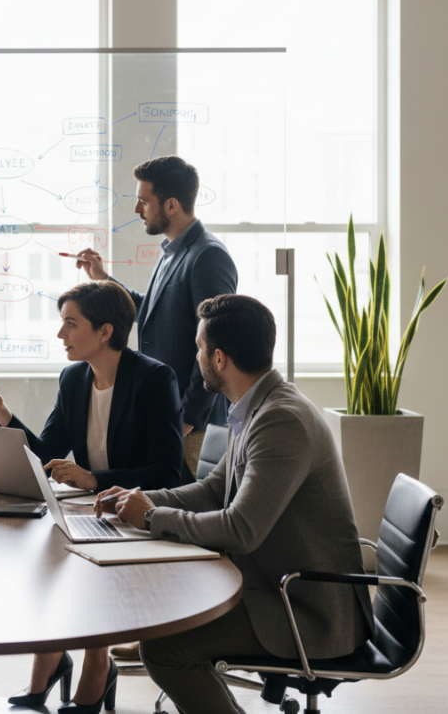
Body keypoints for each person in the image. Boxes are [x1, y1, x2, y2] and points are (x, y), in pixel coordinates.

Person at [96, 294, 373, 714]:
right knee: (168, 621)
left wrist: (151, 517)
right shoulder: (257, 407)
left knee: (164, 647)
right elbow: (211, 490)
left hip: (308, 611)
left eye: (198, 348)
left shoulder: (281, 420)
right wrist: (138, 499)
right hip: (277, 586)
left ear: (219, 358)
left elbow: (241, 530)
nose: (196, 357)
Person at [0, 281, 184, 712]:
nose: (60, 335)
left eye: (70, 324)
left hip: (142, 512)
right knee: (46, 554)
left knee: (77, 562)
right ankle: (51, 656)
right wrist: (4, 415)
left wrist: (94, 479)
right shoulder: (75, 377)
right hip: (97, 511)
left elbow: (167, 471)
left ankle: (97, 665)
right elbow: (48, 454)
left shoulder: (155, 378)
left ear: (105, 332)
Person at [76, 155, 238, 478]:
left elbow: (217, 341)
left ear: (172, 205)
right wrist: (103, 279)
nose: (138, 210)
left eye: (143, 201)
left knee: (195, 515)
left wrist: (188, 416)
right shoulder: (172, 251)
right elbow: (149, 309)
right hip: (171, 417)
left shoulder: (208, 256)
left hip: (195, 428)